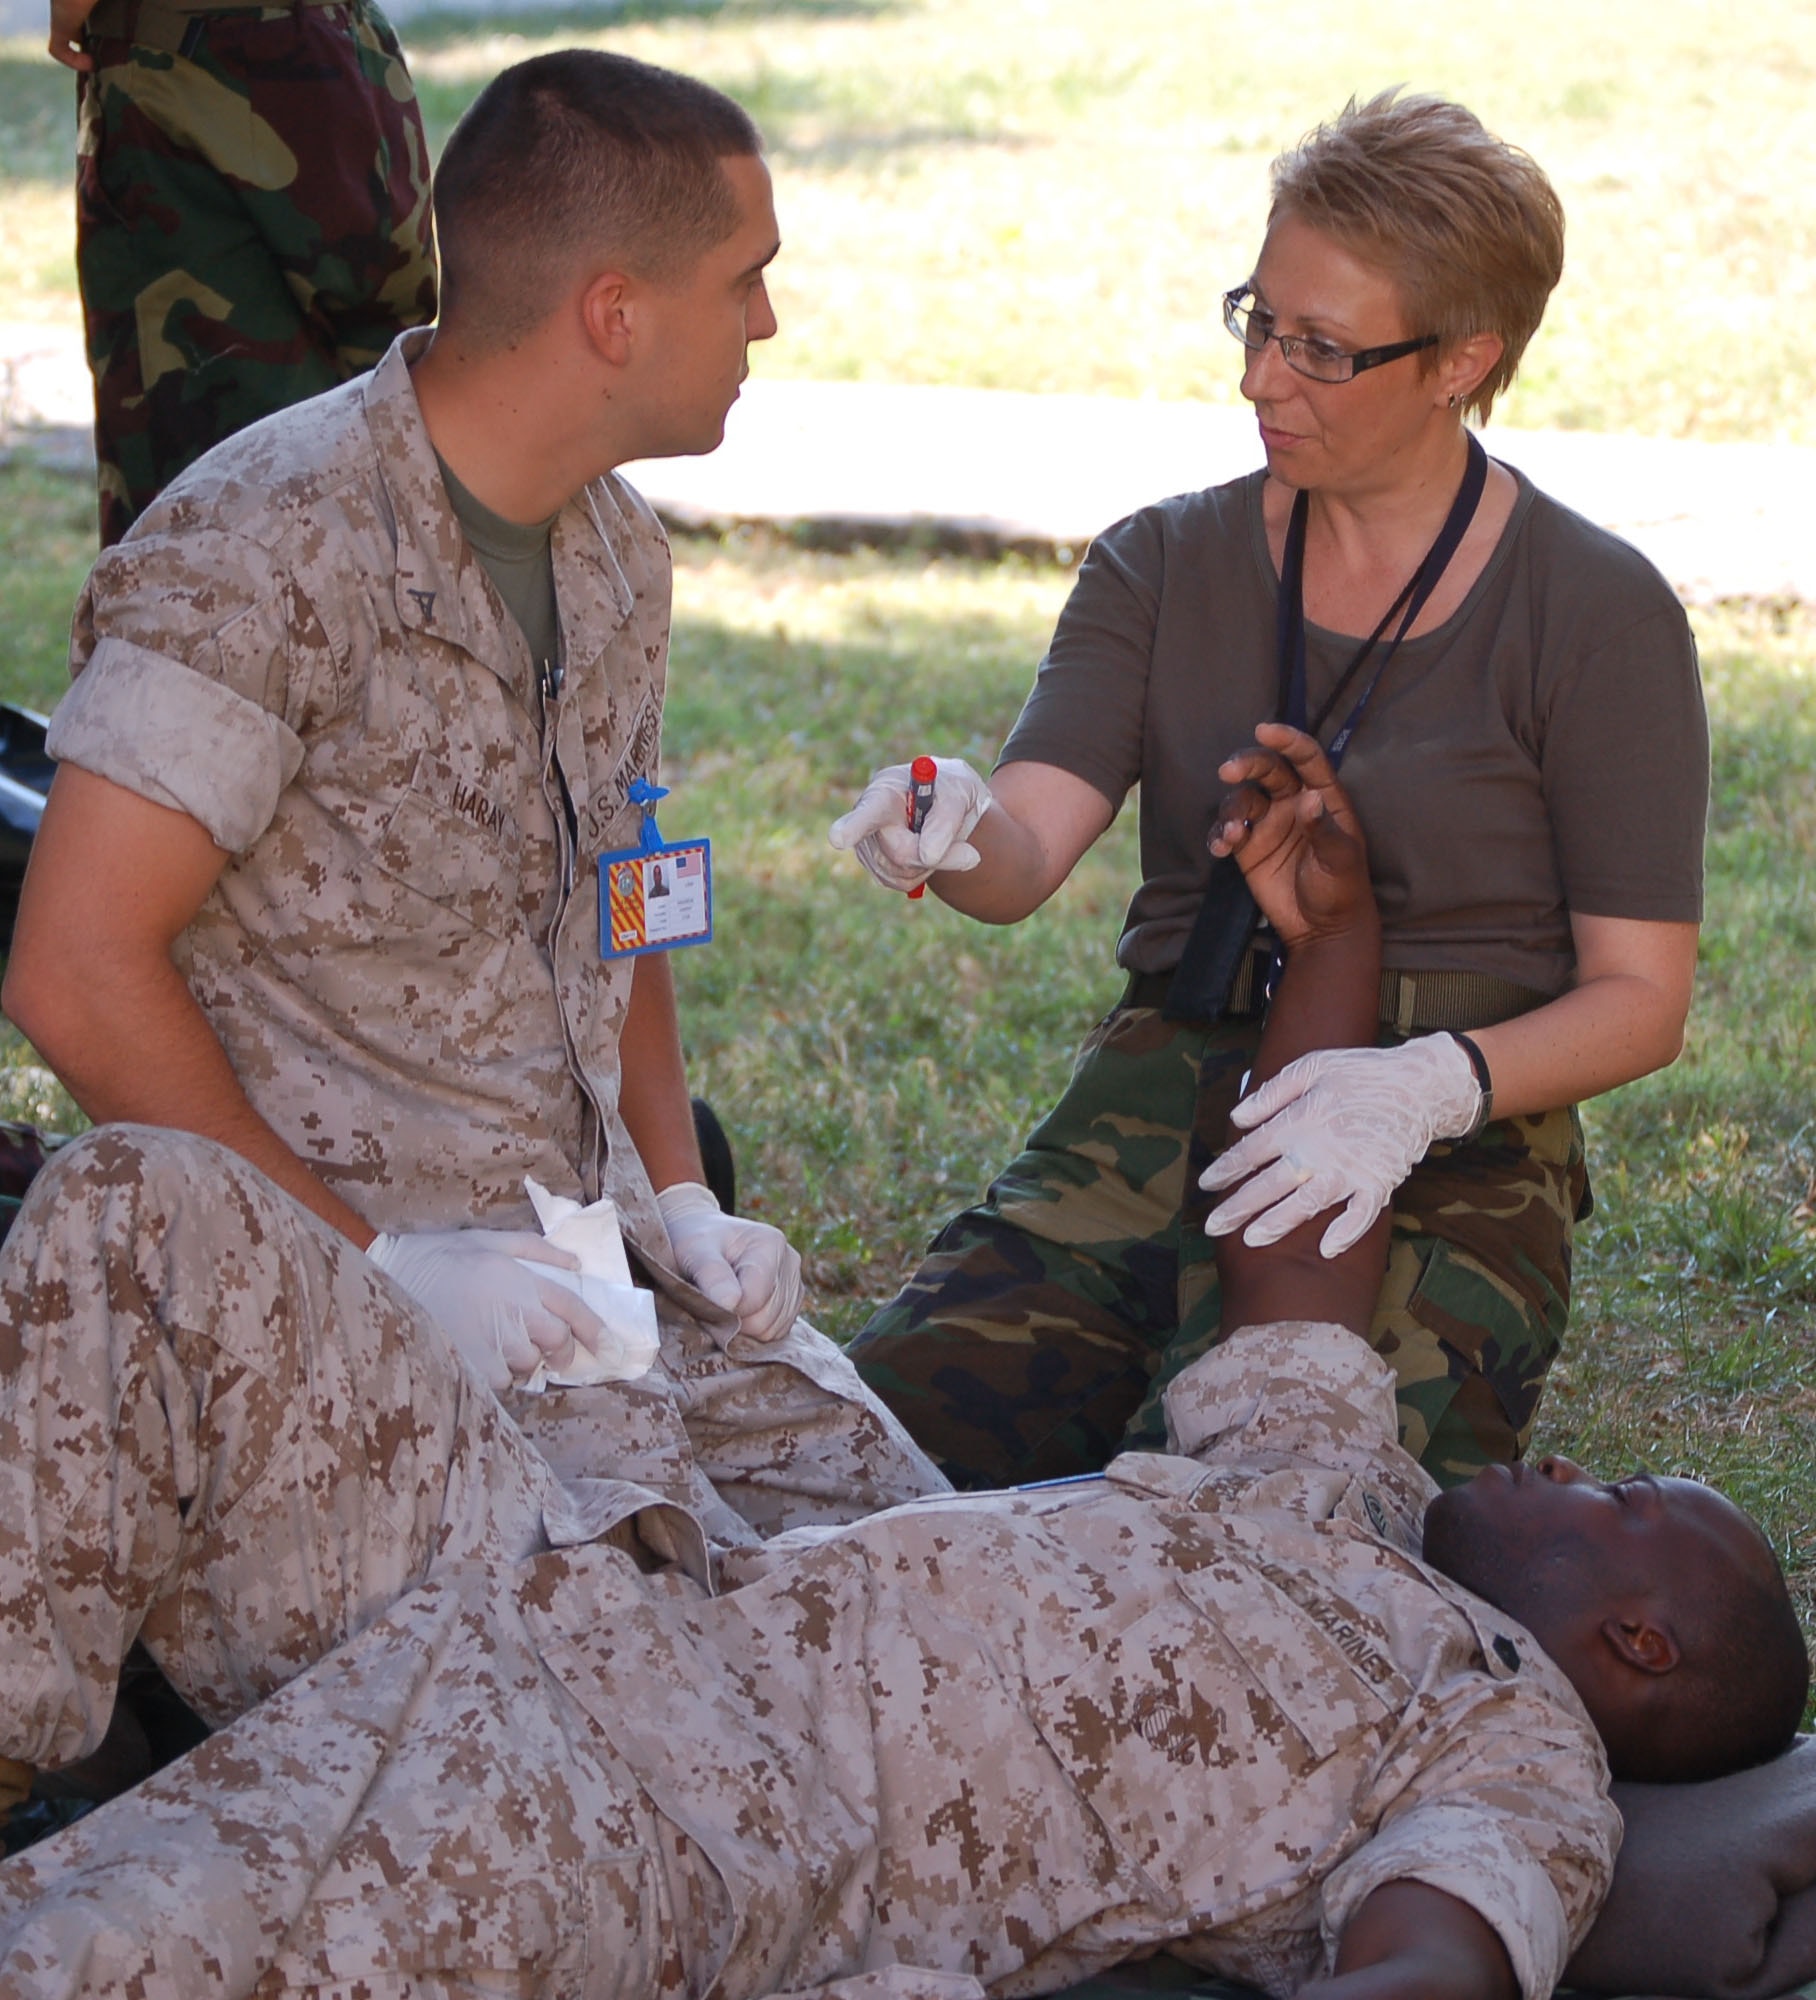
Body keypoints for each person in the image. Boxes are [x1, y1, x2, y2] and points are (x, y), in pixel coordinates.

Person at [0, 749, 1800, 2000]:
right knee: (141, 1199)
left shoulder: (1501, 1749)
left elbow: (1432, 1963)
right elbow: (1294, 1253)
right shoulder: (1344, 1501)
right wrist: (1331, 939)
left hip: (685, 1828)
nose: (1572, 1474)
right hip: (615, 1578)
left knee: (93, 1950)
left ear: (1634, 1644)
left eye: (1621, 1504)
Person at [3, 51, 943, 1537]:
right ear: (616, 315)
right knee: (709, 1688)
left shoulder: (617, 555)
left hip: (605, 1284)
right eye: (746, 278)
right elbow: (72, 973)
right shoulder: (262, 549)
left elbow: (621, 892)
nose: (767, 318)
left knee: (934, 1558)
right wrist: (379, 1272)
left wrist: (686, 1198)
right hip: (360, 1325)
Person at [832, 89, 1707, 1492]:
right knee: (859, 1462)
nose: (1260, 378)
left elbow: (1641, 999)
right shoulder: (1160, 564)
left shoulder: (1591, 610)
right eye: (1259, 318)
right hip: (1169, 1086)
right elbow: (1025, 849)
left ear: (1460, 362)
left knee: (1287, 1521)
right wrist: (945, 820)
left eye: (1321, 349)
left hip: (1442, 1132)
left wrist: (1425, 1087)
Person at [48, 0, 437, 549]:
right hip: (339, 43)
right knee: (382, 410)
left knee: (199, 499)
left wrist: (69, 12)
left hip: (189, 60)